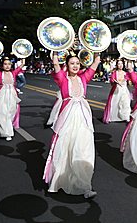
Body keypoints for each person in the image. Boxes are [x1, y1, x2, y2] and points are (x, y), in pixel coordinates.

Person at [43, 50, 101, 199]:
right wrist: (54, 49)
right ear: (67, 65)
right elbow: (55, 63)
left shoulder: (83, 78)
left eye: (77, 63)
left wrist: (97, 51)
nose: (75, 66)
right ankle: (58, 181)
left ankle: (85, 185)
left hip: (83, 118)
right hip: (67, 119)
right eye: (72, 63)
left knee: (82, 150)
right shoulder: (62, 78)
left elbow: (95, 63)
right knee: (64, 149)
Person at [102, 59, 131, 123]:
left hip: (124, 90)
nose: (120, 65)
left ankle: (126, 117)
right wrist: (114, 82)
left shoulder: (126, 73)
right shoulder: (114, 73)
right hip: (116, 90)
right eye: (119, 64)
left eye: (121, 64)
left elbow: (129, 83)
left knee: (126, 104)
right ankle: (113, 117)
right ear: (117, 65)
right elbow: (112, 83)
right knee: (115, 103)